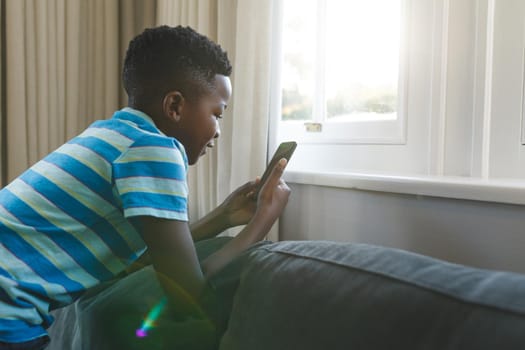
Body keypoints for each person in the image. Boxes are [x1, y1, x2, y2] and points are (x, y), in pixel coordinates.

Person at [0, 25, 290, 349]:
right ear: (175, 106)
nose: (218, 130)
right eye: (216, 113)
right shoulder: (156, 150)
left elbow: (151, 256)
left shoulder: (114, 136)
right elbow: (188, 294)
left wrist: (223, 216)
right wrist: (262, 221)